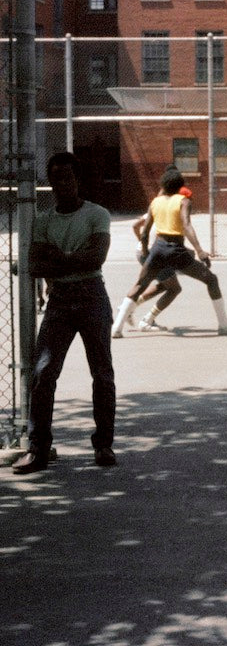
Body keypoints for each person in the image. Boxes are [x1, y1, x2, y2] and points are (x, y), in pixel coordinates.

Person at [12, 152, 117, 474]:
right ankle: (38, 448)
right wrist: (72, 259)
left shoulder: (97, 214)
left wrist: (57, 258)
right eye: (56, 178)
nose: (63, 184)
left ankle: (103, 445)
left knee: (101, 373)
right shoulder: (43, 221)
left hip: (92, 296)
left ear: (77, 179)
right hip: (59, 300)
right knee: (44, 372)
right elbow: (35, 266)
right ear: (51, 182)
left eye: (68, 177)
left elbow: (96, 259)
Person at [111, 165, 227, 338]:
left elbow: (144, 232)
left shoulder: (155, 202)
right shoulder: (183, 201)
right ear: (180, 185)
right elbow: (186, 226)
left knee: (139, 285)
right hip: (176, 249)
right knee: (211, 280)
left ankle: (117, 328)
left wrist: (145, 251)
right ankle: (224, 324)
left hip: (157, 248)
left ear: (163, 184)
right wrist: (199, 250)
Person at [128, 185, 193, 332]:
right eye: (188, 199)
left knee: (164, 285)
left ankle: (129, 307)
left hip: (147, 252)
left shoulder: (158, 208)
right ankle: (146, 319)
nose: (189, 203)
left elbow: (136, 226)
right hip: (154, 254)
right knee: (174, 288)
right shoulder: (173, 214)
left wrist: (142, 242)